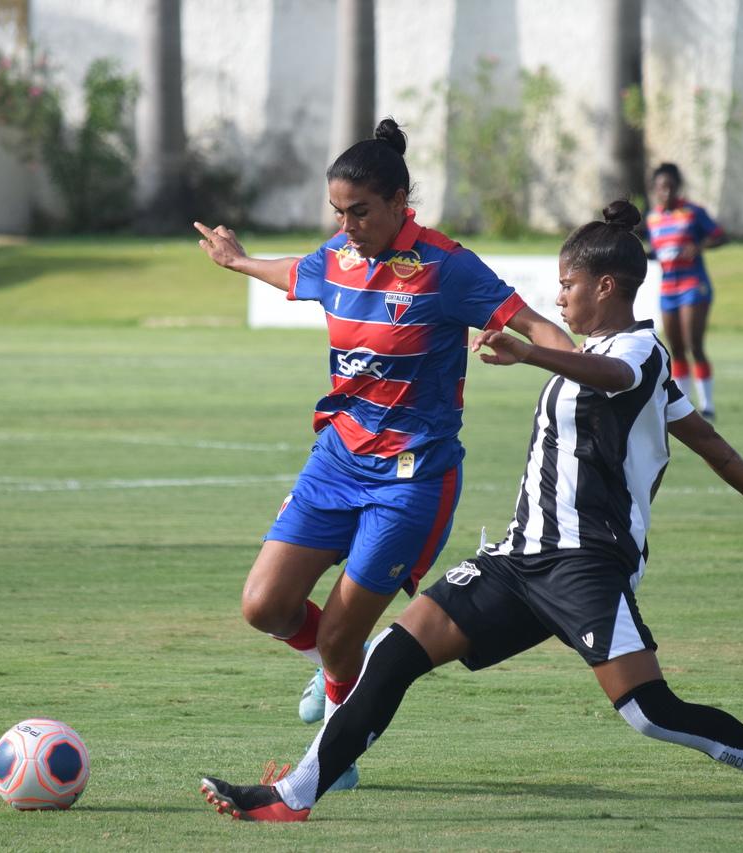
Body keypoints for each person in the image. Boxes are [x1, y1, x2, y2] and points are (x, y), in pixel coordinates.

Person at [198, 200, 743, 827]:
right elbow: (705, 439)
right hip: (516, 560)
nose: (560, 298)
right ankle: (293, 795)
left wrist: (531, 350)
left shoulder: (637, 354)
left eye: (567, 284)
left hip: (587, 563)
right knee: (395, 652)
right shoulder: (599, 354)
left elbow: (623, 387)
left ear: (605, 286)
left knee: (650, 712)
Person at [193, 118, 573, 788]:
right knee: (264, 606)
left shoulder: (446, 267)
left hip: (410, 479)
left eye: (360, 212)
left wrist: (592, 367)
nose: (346, 227)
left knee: (341, 637)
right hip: (336, 460)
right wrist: (236, 259)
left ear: (400, 202)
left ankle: (330, 763)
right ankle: (340, 669)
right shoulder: (339, 256)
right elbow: (298, 272)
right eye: (337, 212)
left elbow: (535, 323)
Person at [644, 163, 727, 420]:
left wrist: (699, 246)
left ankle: (708, 404)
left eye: (670, 187)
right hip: (668, 288)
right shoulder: (653, 218)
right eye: (660, 187)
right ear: (654, 190)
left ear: (677, 187)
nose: (665, 192)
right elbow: (658, 252)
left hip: (693, 285)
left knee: (694, 344)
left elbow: (720, 236)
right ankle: (684, 404)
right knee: (675, 348)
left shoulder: (692, 213)